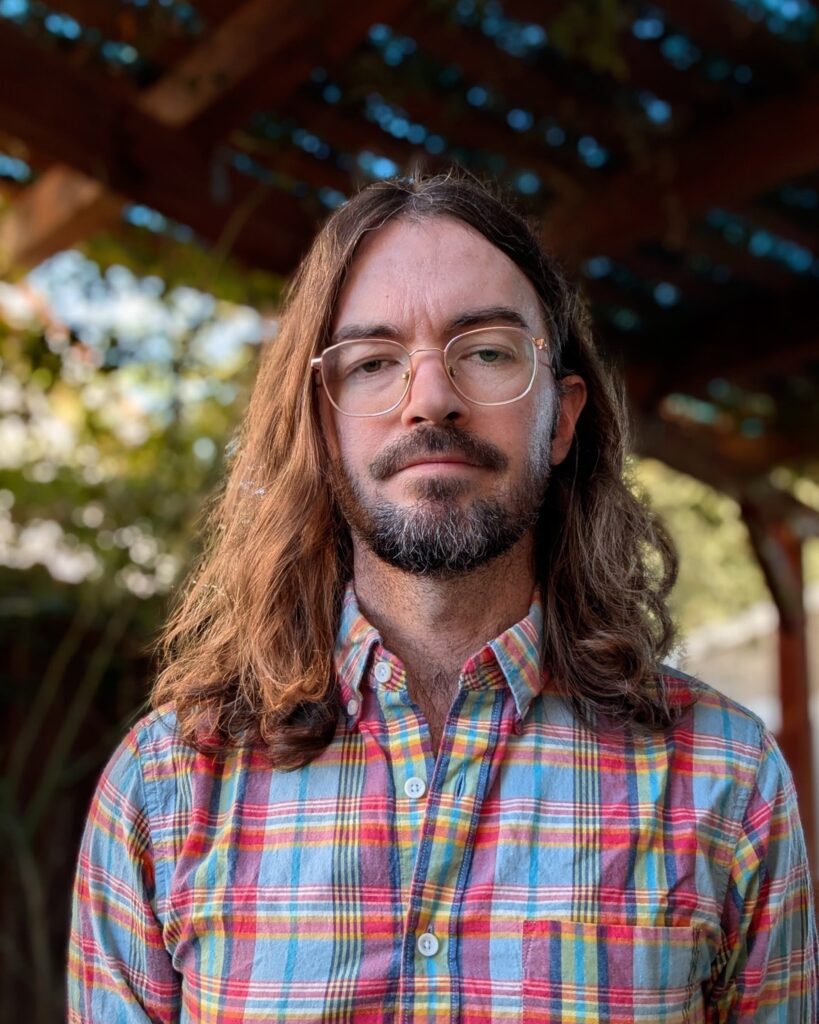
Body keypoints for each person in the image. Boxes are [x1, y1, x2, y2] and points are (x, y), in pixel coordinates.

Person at [69, 171, 818, 1023]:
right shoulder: (165, 787)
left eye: (488, 352)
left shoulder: (725, 776)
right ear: (322, 423)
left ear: (562, 416)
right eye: (374, 362)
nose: (429, 398)